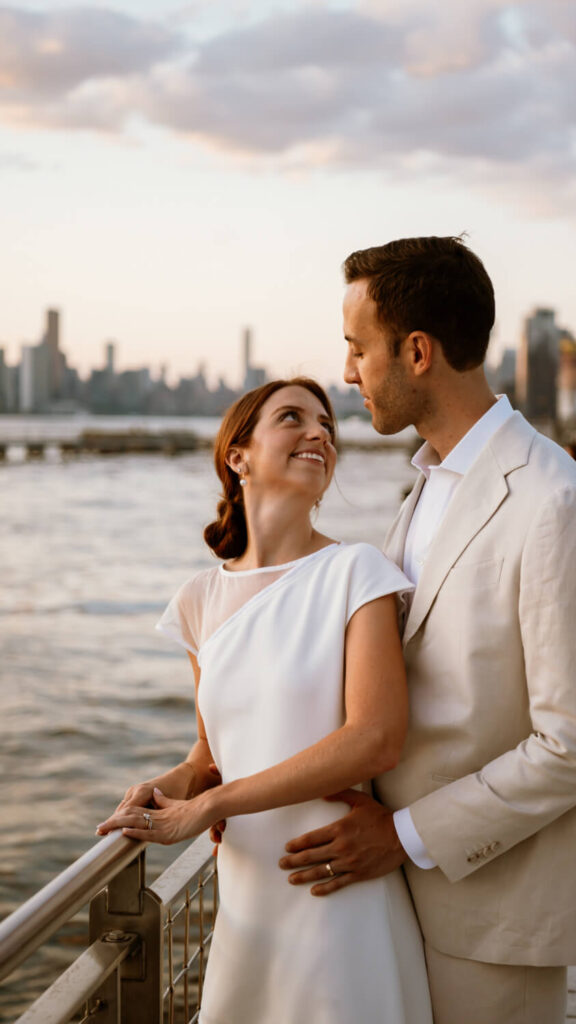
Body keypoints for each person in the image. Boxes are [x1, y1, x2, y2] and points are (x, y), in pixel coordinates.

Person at [278, 237, 576, 1024]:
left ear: (415, 352)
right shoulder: (427, 484)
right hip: (393, 898)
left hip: (491, 916)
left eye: (357, 348)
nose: (347, 372)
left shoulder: (558, 506)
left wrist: (402, 835)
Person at [96, 378, 433, 1024]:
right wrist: (169, 785)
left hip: (338, 886)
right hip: (248, 898)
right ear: (238, 456)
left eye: (326, 424)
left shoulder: (356, 572)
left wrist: (213, 804)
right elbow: (209, 748)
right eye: (292, 418)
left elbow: (374, 737)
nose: (319, 434)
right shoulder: (199, 599)